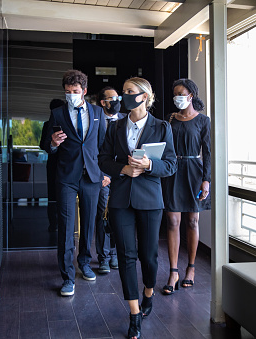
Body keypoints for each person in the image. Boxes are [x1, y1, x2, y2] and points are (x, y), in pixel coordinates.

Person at [98, 77, 177, 339]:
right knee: (125, 255)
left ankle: (148, 292)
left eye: (129, 92)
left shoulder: (162, 127)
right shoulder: (115, 127)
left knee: (149, 255)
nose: (124, 96)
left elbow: (171, 165)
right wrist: (123, 169)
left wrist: (149, 166)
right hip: (121, 199)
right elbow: (103, 160)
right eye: (123, 92)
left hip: (150, 200)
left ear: (144, 96)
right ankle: (133, 313)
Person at [43, 69, 106, 297]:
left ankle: (85, 263)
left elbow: (103, 147)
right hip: (66, 177)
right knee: (67, 228)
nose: (71, 95)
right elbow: (46, 147)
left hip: (91, 176)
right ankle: (68, 277)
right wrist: (53, 142)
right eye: (67, 91)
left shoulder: (98, 112)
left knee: (88, 225)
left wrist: (104, 173)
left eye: (75, 91)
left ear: (84, 91)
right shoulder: (57, 113)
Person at [161, 78, 211, 296]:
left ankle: (190, 268)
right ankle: (173, 272)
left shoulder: (203, 121)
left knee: (192, 220)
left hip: (194, 171)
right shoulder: (170, 119)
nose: (176, 98)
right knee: (172, 221)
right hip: (172, 171)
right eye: (175, 94)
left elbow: (207, 152)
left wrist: (206, 179)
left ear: (191, 95)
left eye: (180, 93)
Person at [95, 86, 127, 274]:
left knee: (118, 217)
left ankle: (115, 254)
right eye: (111, 98)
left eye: (118, 97)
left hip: (122, 176)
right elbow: (92, 151)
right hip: (102, 177)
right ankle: (103, 257)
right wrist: (103, 175)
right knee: (102, 217)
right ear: (103, 102)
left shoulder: (125, 119)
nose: (116, 101)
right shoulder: (96, 121)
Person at [40, 98, 65, 235]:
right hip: (54, 163)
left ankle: (56, 223)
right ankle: (54, 223)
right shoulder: (47, 125)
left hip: (60, 163)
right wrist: (53, 143)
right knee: (53, 194)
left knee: (57, 194)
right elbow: (43, 145)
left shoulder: (68, 125)